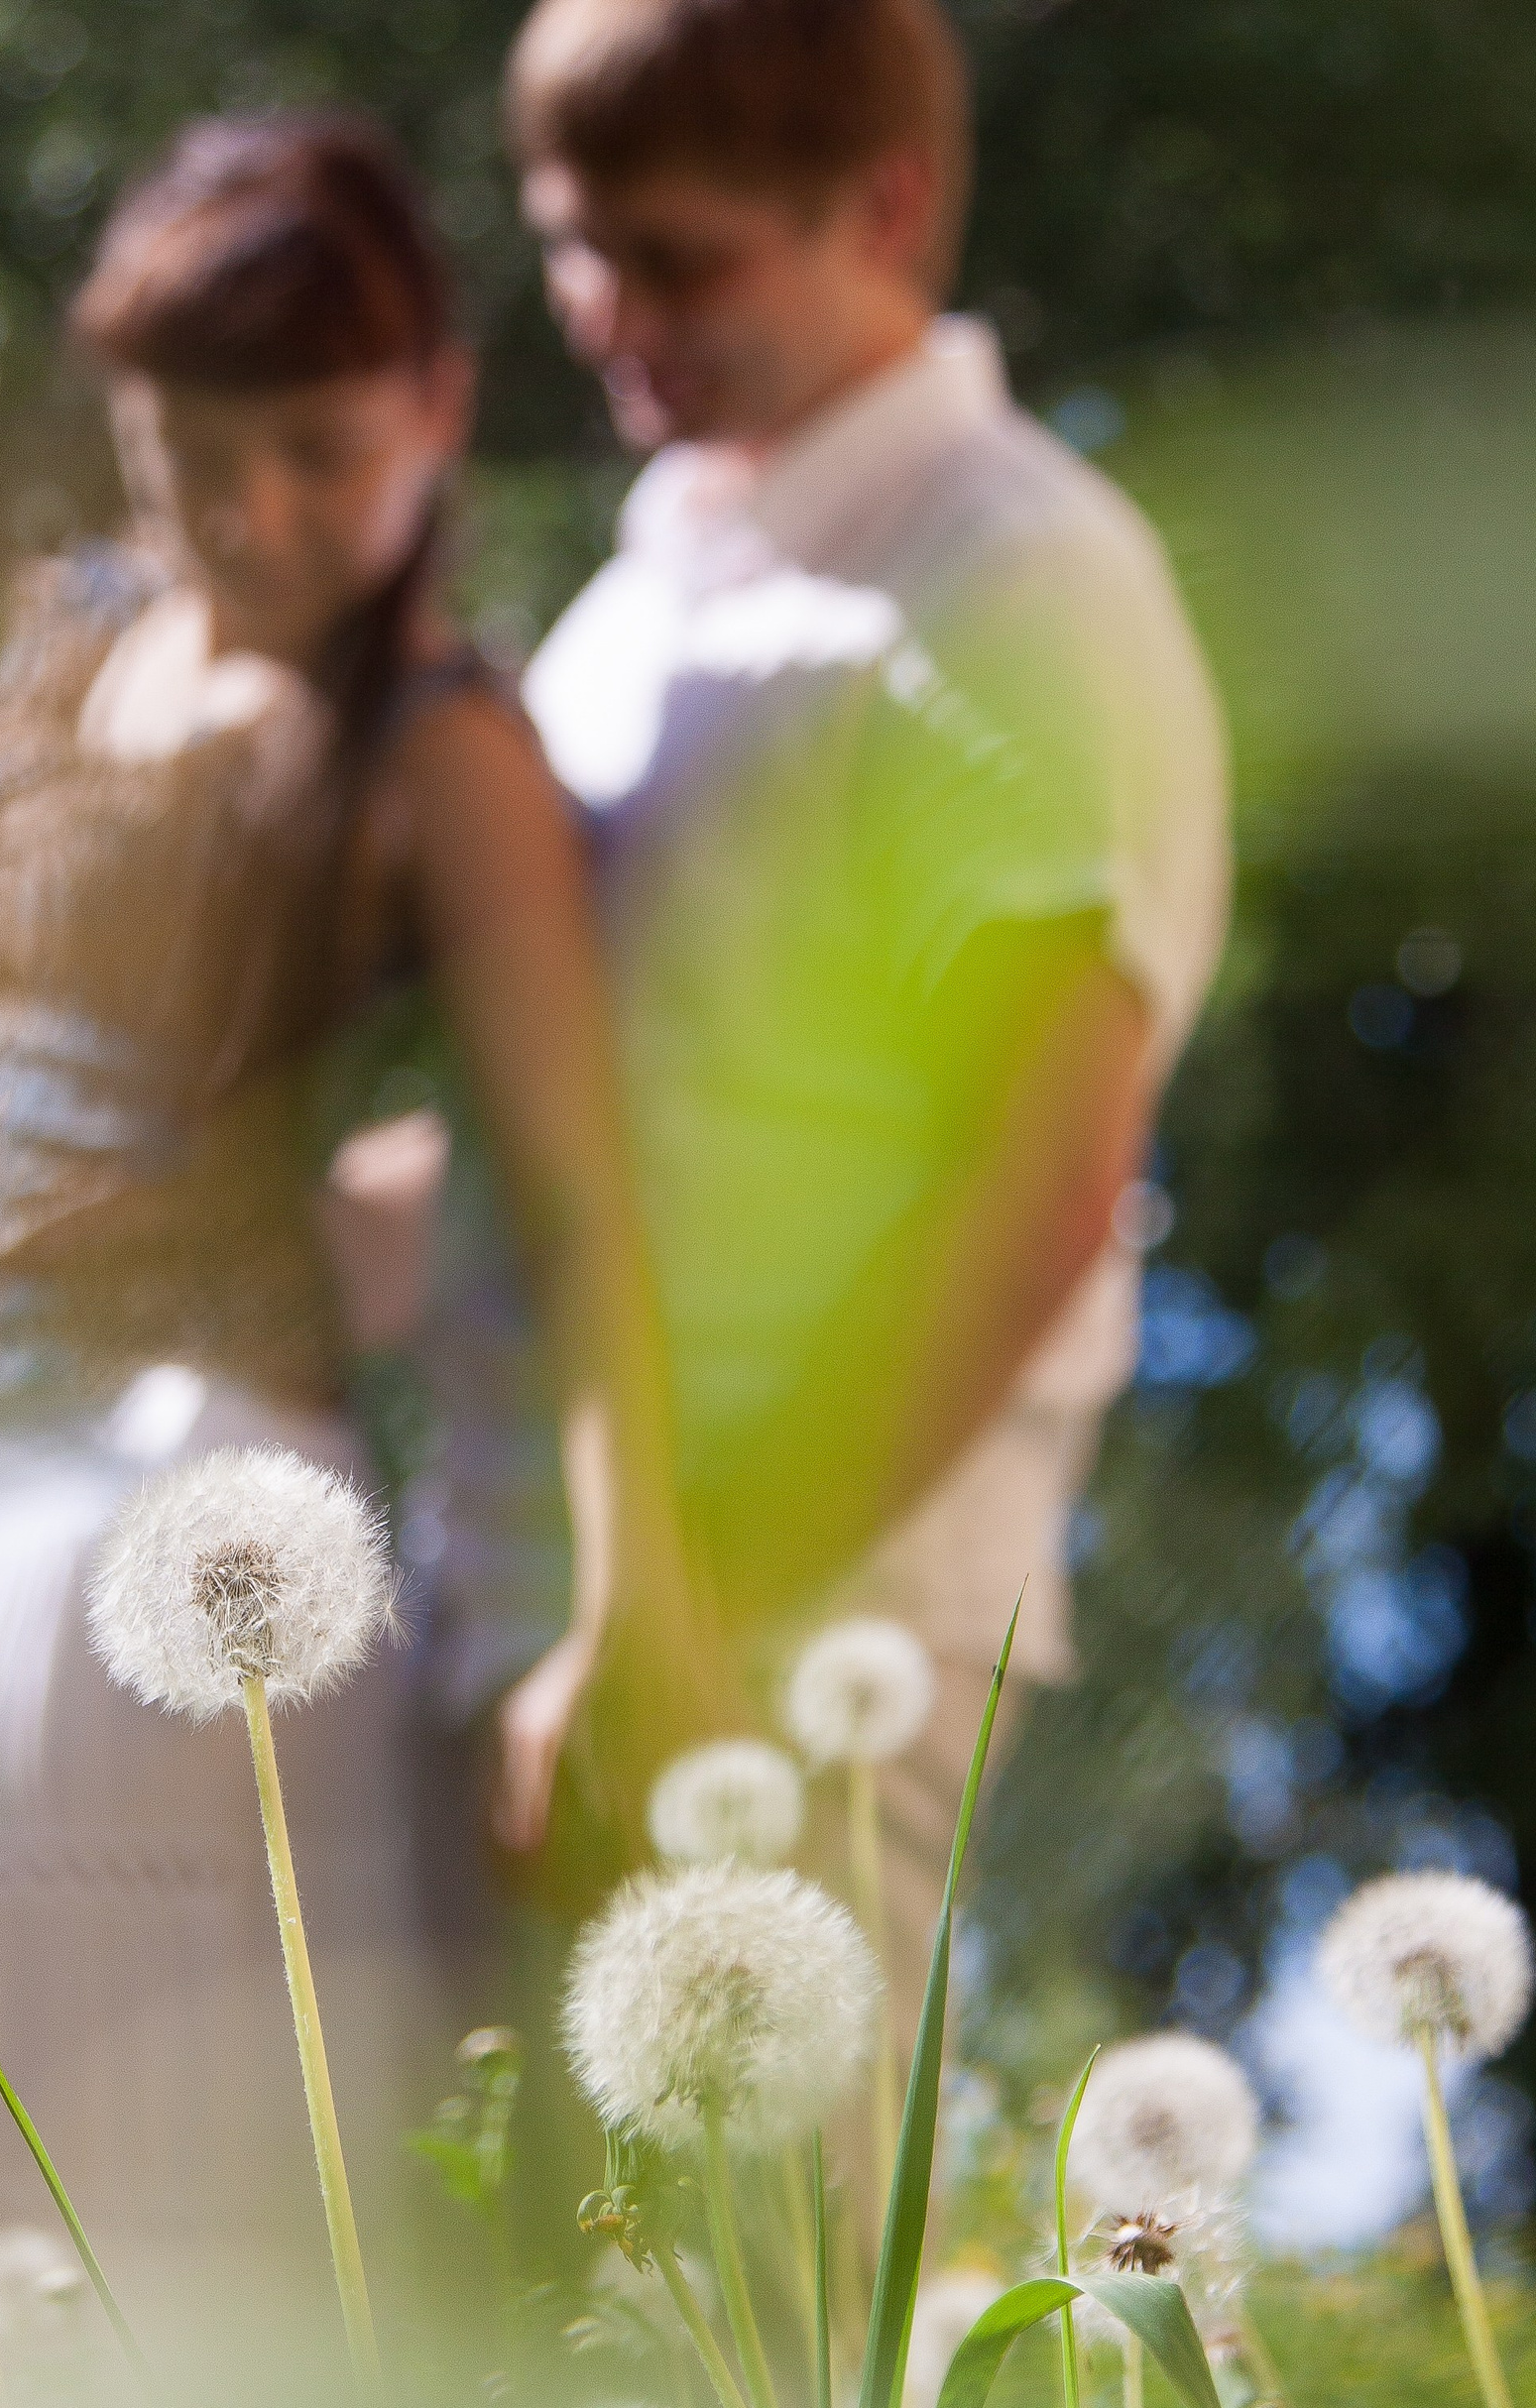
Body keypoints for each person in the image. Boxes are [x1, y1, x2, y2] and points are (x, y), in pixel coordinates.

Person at [0, 112, 719, 2322]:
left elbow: (578, 1196)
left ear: (431, 406)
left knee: (20, 2163)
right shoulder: (68, 636)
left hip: (164, 1530)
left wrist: (627, 1593)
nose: (249, 514)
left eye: (315, 448)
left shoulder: (435, 746)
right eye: (183, 452)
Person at [454, 0, 1230, 1991]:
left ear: (878, 206)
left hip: (785, 1647)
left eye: (678, 259)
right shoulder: (642, 597)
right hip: (530, 1620)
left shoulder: (1007, 577)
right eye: (569, 242)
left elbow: (1045, 1170)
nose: (603, 311)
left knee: (735, 2302)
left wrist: (680, 1609)